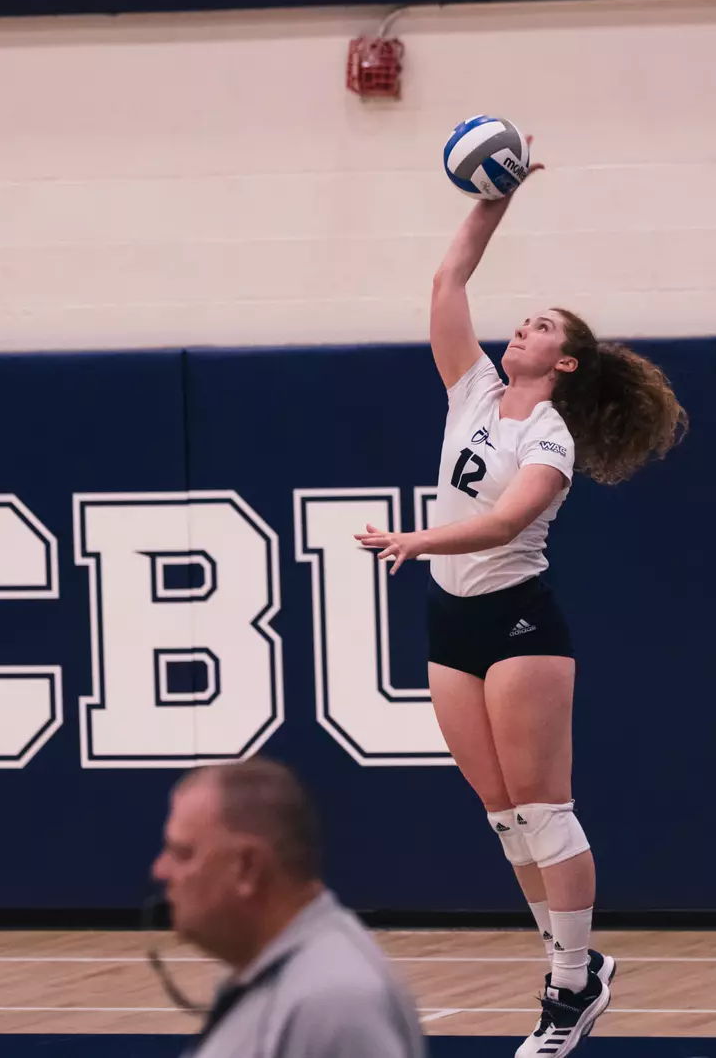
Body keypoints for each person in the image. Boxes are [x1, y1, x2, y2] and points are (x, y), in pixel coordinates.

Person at [355, 143, 686, 1056]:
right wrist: (493, 197)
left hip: (518, 622)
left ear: (567, 362)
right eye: (525, 320)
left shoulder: (549, 439)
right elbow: (447, 280)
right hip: (450, 620)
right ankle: (571, 964)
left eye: (540, 327)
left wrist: (417, 539)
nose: (521, 330)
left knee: (544, 807)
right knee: (501, 813)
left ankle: (570, 987)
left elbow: (503, 526)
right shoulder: (473, 393)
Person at [152, 758, 425, 1058]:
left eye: (183, 854)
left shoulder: (332, 1003)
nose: (161, 871)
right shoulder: (277, 979)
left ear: (247, 868)